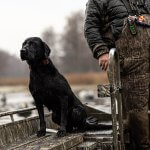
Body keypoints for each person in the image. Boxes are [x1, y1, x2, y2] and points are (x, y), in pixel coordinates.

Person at [84, 0, 150, 149]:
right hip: (129, 64)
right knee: (136, 111)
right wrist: (101, 51)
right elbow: (90, 27)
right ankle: (141, 146)